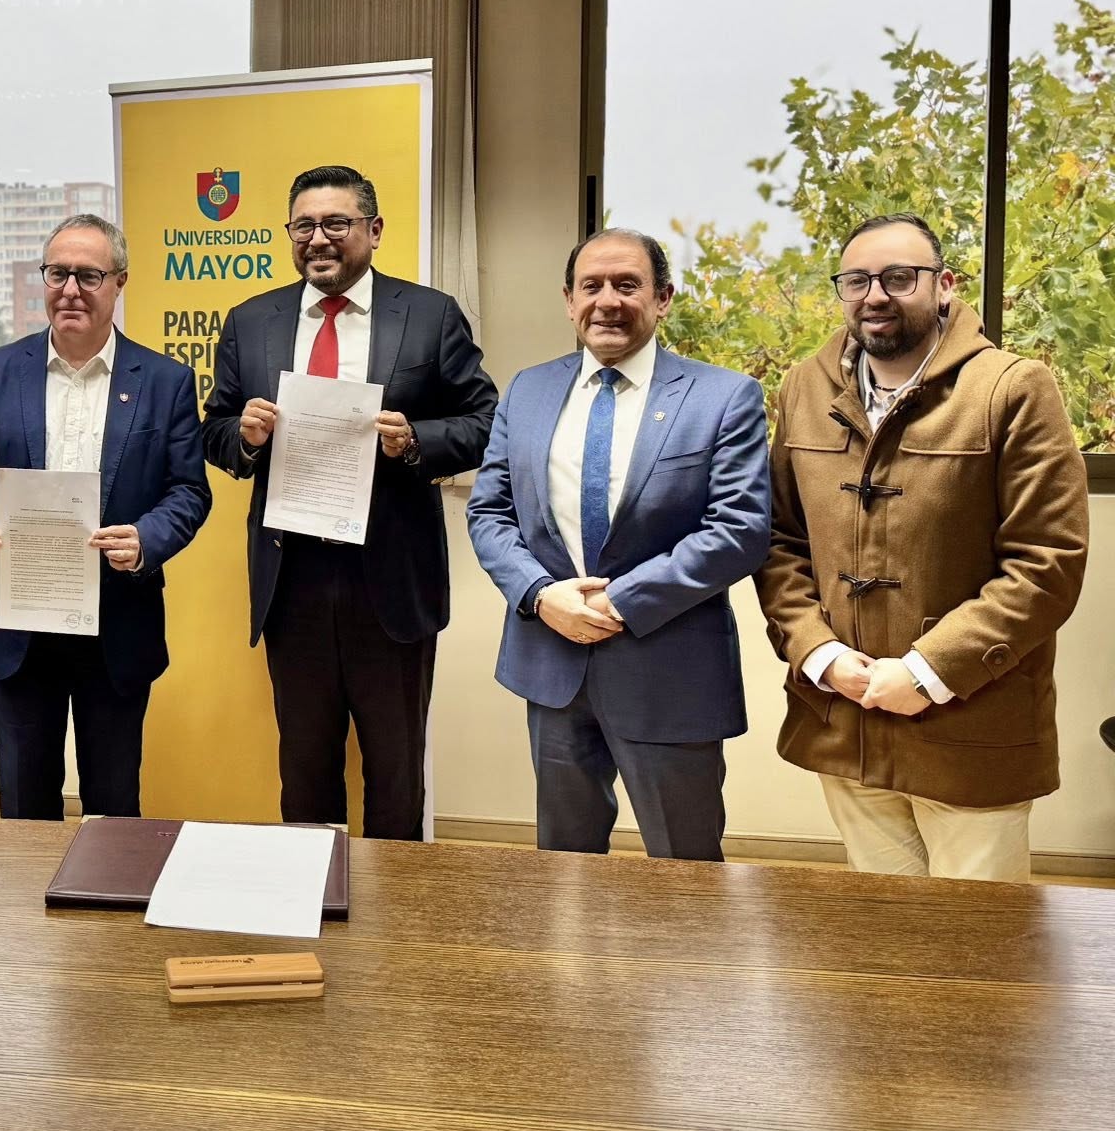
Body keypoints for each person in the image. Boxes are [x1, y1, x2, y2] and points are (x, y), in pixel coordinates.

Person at [757, 213, 1088, 882]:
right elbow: (779, 542)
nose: (875, 294)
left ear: (943, 286)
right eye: (857, 280)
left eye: (899, 277)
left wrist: (927, 672)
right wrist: (816, 653)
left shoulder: (1012, 389)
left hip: (970, 726)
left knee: (977, 952)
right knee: (882, 942)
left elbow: (1046, 563)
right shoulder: (803, 389)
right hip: (846, 723)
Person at [201, 165, 498, 840]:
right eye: (304, 225)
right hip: (294, 579)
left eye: (336, 223)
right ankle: (311, 900)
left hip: (390, 580)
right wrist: (242, 437)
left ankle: (395, 921)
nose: (319, 239)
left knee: (395, 770)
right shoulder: (252, 322)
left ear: (373, 230)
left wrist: (415, 439)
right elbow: (213, 429)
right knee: (304, 767)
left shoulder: (428, 315)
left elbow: (486, 420)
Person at [466, 229, 771, 862]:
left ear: (662, 298)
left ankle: (685, 969)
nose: (608, 301)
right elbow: (490, 512)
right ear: (569, 300)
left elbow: (739, 529)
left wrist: (620, 602)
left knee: (686, 870)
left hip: (669, 670)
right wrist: (540, 594)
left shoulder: (722, 396)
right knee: (565, 867)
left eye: (627, 286)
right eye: (592, 286)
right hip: (551, 663)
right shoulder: (528, 390)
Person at [0, 215, 211, 819]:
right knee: (23, 806)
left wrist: (147, 537)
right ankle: (23, 915)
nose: (70, 289)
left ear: (119, 282)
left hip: (118, 622)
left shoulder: (165, 381)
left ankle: (107, 914)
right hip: (22, 627)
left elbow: (189, 492)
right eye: (57, 273)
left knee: (113, 809)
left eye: (88, 275)